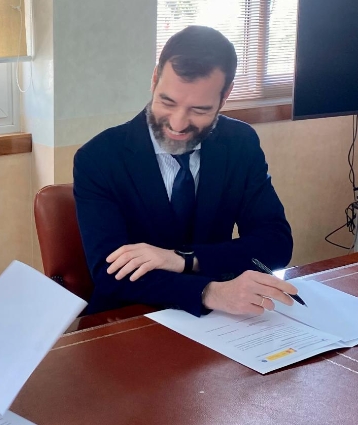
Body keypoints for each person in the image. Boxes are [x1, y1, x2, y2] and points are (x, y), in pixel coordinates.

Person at [73, 25, 297, 318]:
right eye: (167, 102)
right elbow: (110, 273)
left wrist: (184, 260)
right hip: (131, 322)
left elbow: (275, 243)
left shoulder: (240, 143)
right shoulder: (99, 158)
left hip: (223, 322)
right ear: (154, 80)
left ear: (225, 95)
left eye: (199, 110)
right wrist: (208, 292)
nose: (177, 124)